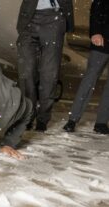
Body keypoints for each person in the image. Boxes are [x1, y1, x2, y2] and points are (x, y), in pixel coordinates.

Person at [16, 0, 74, 132]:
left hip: (53, 18)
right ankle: (27, 116)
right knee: (26, 71)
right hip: (29, 17)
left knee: (49, 73)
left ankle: (43, 118)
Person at [63, 0, 109, 134]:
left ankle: (101, 123)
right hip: (102, 41)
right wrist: (95, 32)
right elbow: (96, 9)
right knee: (89, 80)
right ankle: (72, 120)